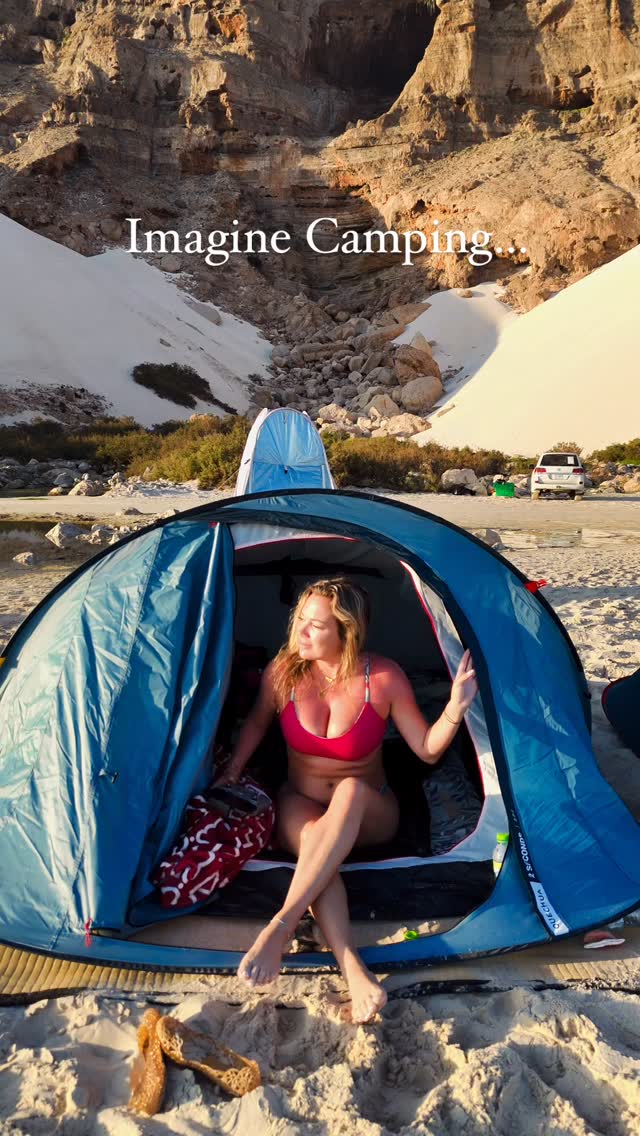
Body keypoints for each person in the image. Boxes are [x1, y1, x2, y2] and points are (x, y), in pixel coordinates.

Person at [215, 576, 478, 1023]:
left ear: (346, 632)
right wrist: (232, 771)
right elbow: (258, 723)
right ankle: (353, 968)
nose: (300, 632)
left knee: (351, 792)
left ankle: (280, 926)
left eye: (315, 626)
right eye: (300, 620)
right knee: (320, 851)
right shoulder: (284, 670)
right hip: (301, 799)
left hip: (370, 809)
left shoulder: (384, 678)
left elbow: (427, 749)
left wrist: (455, 707)